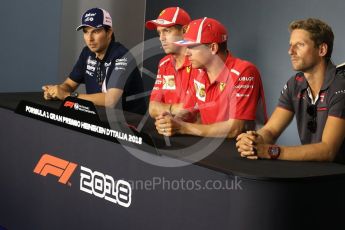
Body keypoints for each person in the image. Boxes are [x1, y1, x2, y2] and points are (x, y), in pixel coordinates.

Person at [236, 18, 345, 163]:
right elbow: (271, 130)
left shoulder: (341, 86)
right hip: (313, 174)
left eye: (299, 45)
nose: (290, 51)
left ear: (322, 50)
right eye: (290, 45)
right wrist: (254, 140)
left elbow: (328, 150)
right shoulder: (295, 83)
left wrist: (270, 151)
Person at [155, 17, 267, 138]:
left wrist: (182, 127)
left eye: (191, 47)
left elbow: (235, 128)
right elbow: (190, 110)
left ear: (213, 48)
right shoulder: (199, 72)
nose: (186, 53)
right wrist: (171, 120)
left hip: (245, 150)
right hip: (212, 145)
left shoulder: (244, 72)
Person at [42, 8, 146, 115]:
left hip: (130, 124)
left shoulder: (122, 56)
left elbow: (111, 100)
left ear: (109, 32)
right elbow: (69, 84)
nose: (90, 39)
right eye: (86, 32)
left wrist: (67, 96)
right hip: (100, 117)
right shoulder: (87, 53)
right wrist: (57, 91)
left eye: (95, 31)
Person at [146, 7, 199, 118]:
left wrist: (166, 109)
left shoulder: (201, 63)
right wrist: (175, 108)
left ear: (185, 31)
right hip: (168, 129)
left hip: (198, 132)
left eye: (167, 31)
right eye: (159, 32)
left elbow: (201, 112)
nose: (161, 38)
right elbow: (153, 108)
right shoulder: (164, 63)